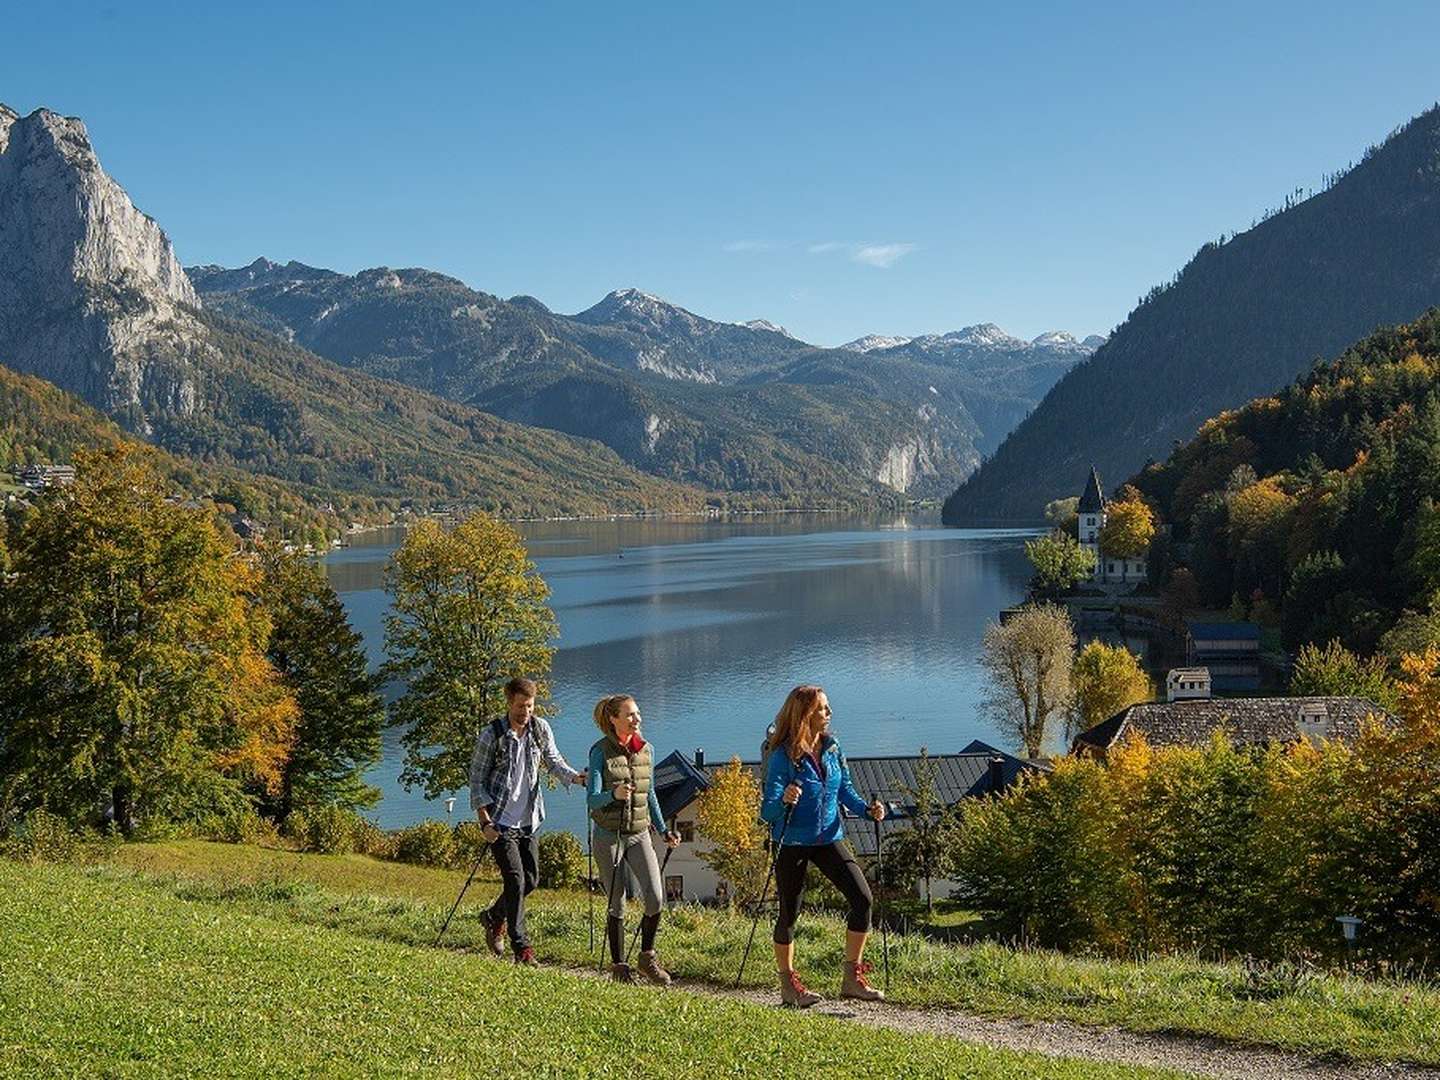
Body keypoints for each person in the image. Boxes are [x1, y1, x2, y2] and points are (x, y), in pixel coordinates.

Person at [761, 684, 886, 1007]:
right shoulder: (782, 756)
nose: (828, 713)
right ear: (804, 714)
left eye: (827, 707)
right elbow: (767, 811)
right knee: (790, 913)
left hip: (829, 838)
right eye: (821, 708)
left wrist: (866, 810)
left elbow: (845, 789)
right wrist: (785, 799)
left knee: (862, 899)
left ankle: (851, 979)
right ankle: (789, 986)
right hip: (792, 841)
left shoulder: (832, 747)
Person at [469, 677, 586, 965]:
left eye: (530, 706)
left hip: (529, 820)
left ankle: (494, 916)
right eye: (521, 706)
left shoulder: (539, 728)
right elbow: (476, 782)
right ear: (509, 703)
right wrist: (484, 822)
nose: (526, 712)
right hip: (499, 823)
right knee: (515, 879)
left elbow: (553, 760)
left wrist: (575, 777)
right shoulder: (492, 735)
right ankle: (522, 948)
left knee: (530, 880)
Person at [587, 693, 680, 985]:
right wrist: (612, 795)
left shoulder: (647, 750)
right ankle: (619, 967)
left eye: (637, 713)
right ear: (613, 719)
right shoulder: (600, 751)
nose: (636, 719)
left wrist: (664, 829)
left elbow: (649, 792)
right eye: (629, 715)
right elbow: (592, 799)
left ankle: (647, 959)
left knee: (655, 898)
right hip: (608, 836)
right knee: (618, 903)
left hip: (640, 833)